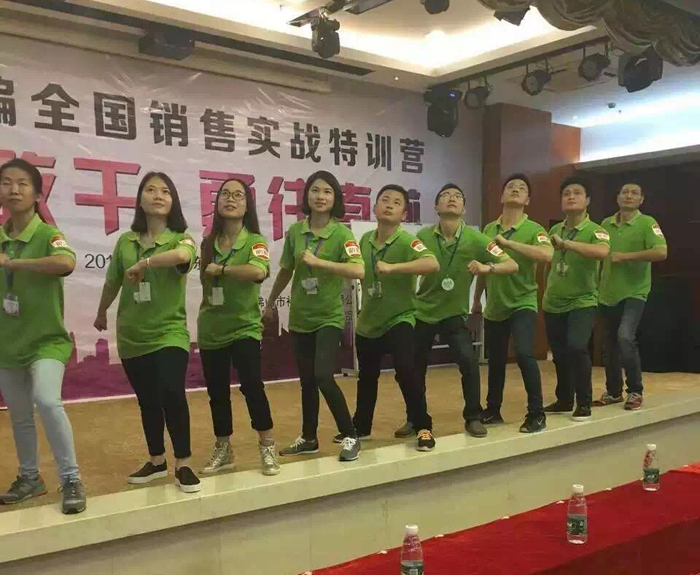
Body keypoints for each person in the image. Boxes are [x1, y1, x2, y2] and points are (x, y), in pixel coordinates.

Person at [94, 172, 201, 493]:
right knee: (148, 400)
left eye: (165, 191)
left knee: (171, 392)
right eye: (150, 190)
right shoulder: (125, 242)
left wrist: (146, 264)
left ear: (173, 201)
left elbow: (182, 257)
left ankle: (183, 463)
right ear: (140, 200)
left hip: (169, 332)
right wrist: (101, 311)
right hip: (132, 334)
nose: (158, 195)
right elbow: (113, 280)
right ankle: (157, 461)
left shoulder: (181, 238)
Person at [0, 159, 86, 514]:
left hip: (47, 341)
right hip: (7, 344)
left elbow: (66, 263)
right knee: (20, 415)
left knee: (47, 401)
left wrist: (12, 263)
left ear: (37, 194)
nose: (13, 190)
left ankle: (71, 479)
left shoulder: (48, 235)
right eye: (6, 183)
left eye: (22, 183)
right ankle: (30, 478)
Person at [264, 171, 364, 462]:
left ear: (335, 199)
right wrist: (270, 303)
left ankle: (350, 434)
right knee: (307, 380)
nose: (320, 196)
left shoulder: (342, 234)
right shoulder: (296, 231)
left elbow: (358, 270)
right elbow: (286, 269)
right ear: (306, 195)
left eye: (327, 192)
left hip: (328, 317)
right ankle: (309, 437)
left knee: (322, 376)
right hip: (300, 317)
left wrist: (320, 262)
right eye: (315, 190)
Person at [412, 183, 516, 440]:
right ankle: (415, 419)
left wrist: (487, 268)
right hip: (422, 312)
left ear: (464, 209)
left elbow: (511, 264)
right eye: (445, 196)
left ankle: (473, 416)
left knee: (469, 363)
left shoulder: (477, 239)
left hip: (454, 314)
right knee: (414, 369)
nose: (452, 198)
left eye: (458, 196)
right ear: (436, 207)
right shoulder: (422, 236)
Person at [197, 178, 280, 476]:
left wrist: (223, 269)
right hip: (211, 328)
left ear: (247, 206)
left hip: (244, 326)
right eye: (225, 194)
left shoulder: (255, 241)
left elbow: (258, 271)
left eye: (238, 195)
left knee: (252, 386)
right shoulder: (208, 243)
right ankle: (224, 448)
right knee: (217, 392)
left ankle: (267, 446)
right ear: (217, 202)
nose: (230, 199)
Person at [348, 185, 440, 451]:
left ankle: (423, 426)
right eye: (384, 200)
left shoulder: (408, 241)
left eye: (396, 202)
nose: (389, 205)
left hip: (401, 317)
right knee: (367, 378)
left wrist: (394, 268)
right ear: (375, 208)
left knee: (407, 370)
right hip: (369, 321)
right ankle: (361, 427)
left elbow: (432, 264)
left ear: (404, 214)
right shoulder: (364, 240)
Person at [473, 175, 552, 434]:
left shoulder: (535, 230)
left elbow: (547, 254)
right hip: (495, 303)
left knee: (524, 353)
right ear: (501, 196)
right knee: (495, 360)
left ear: (528, 200)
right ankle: (493, 410)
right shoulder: (488, 229)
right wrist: (476, 300)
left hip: (523, 301)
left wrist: (509, 243)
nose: (515, 190)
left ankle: (536, 413)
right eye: (510, 187)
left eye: (522, 188)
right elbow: (483, 267)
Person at [595, 182, 667, 411]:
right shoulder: (605, 224)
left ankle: (635, 390)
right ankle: (613, 392)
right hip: (606, 292)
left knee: (625, 337)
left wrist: (626, 257)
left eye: (634, 193)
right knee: (608, 345)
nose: (629, 196)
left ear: (641, 200)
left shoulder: (647, 223)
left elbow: (661, 251)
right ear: (617, 197)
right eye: (624, 192)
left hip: (635, 292)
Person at [543, 176, 610, 421]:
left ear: (588, 200)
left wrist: (568, 245)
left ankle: (584, 402)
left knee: (577, 347)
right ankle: (564, 399)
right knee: (559, 353)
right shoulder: (554, 230)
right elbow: (549, 263)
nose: (571, 196)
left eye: (577, 193)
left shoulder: (596, 230)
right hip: (553, 301)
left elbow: (602, 252)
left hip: (583, 300)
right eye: (566, 193)